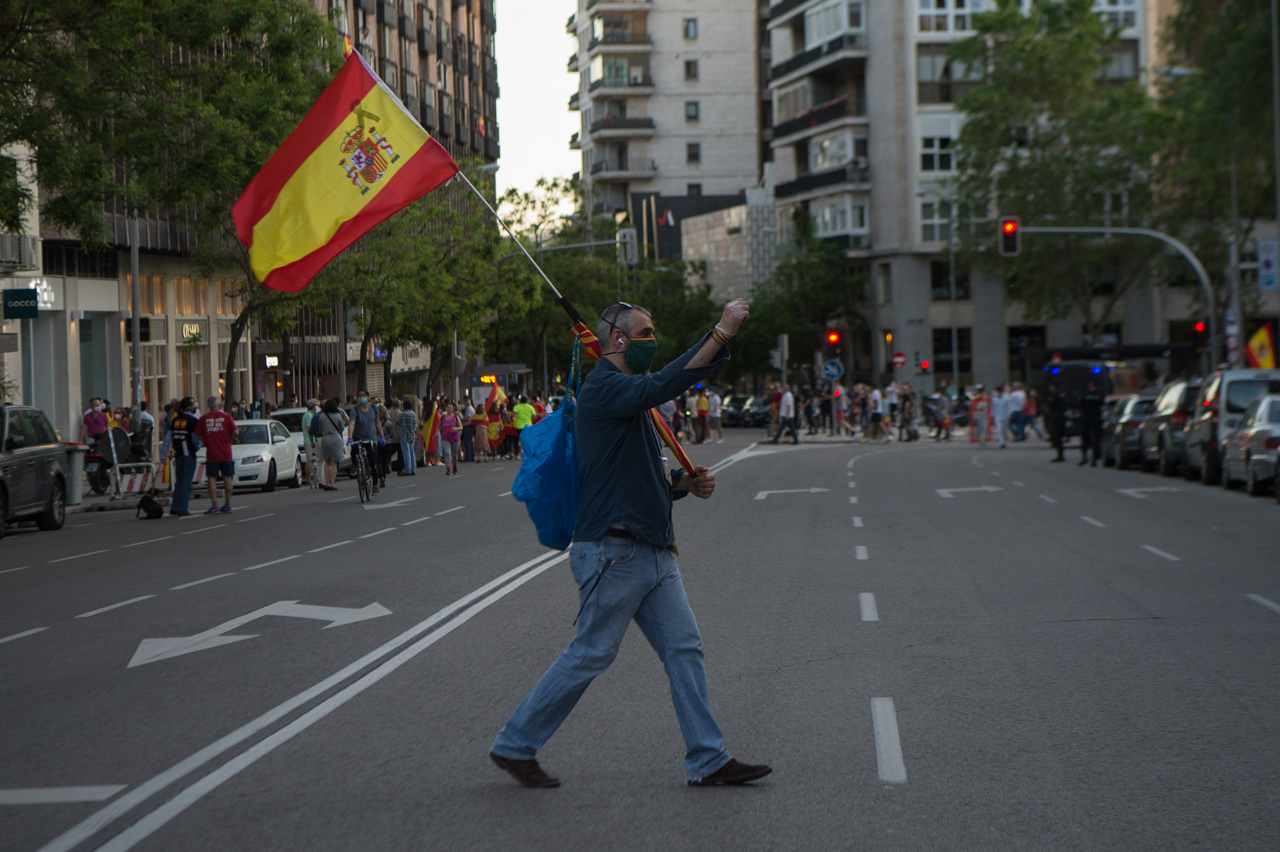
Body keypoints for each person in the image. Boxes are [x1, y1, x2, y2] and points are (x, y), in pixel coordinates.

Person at [489, 298, 770, 789]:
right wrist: (720, 334)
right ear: (617, 339)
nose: (651, 341)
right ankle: (515, 744)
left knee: (685, 649)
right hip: (614, 552)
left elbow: (641, 478)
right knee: (591, 653)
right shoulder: (604, 388)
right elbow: (665, 383)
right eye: (644, 333)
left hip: (654, 551)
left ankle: (708, 757)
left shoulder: (629, 399)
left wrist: (683, 483)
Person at [195, 396, 237, 514]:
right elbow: (235, 432)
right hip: (226, 452)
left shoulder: (203, 419)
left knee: (212, 479)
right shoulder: (227, 416)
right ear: (219, 405)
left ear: (208, 406)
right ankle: (227, 504)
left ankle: (214, 505)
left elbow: (198, 435)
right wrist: (229, 439)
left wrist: (207, 441)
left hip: (212, 453)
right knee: (227, 478)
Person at [167, 397, 200, 516]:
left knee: (179, 481)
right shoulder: (192, 421)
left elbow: (168, 438)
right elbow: (194, 439)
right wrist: (197, 447)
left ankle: (175, 506)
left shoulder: (175, 420)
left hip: (178, 454)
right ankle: (183, 508)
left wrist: (163, 454)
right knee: (186, 482)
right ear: (190, 407)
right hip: (188, 454)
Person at [347, 389, 384, 493]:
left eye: (363, 395)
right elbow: (352, 424)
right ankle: (356, 466)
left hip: (371, 439)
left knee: (373, 461)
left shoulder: (373, 408)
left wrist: (381, 435)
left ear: (368, 397)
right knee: (354, 451)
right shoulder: (355, 410)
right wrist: (350, 437)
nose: (361, 397)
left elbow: (377, 422)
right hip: (358, 437)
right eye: (359, 395)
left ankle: (375, 483)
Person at [315, 398, 346, 490]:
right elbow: (341, 428)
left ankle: (327, 483)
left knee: (327, 462)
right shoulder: (338, 416)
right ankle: (332, 483)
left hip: (325, 439)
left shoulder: (322, 416)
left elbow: (320, 429)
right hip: (336, 439)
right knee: (334, 463)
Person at [1079, 379, 1104, 467]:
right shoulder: (1099, 395)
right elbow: (1102, 406)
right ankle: (1094, 460)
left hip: (1086, 420)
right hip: (1096, 420)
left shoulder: (1085, 395)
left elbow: (1080, 406)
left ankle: (1085, 457)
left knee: (1085, 440)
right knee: (1095, 441)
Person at [438, 401, 463, 475]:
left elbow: (461, 427)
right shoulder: (442, 417)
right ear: (446, 408)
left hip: (455, 438)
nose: (449, 409)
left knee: (454, 454)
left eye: (450, 408)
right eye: (448, 408)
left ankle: (454, 467)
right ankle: (448, 469)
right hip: (445, 438)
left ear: (453, 409)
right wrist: (436, 433)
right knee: (447, 453)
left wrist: (456, 428)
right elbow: (439, 427)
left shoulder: (456, 417)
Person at [396, 398, 418, 475]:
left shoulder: (402, 414)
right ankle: (413, 469)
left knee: (406, 453)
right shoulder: (414, 414)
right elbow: (415, 425)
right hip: (412, 435)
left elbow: (397, 422)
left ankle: (407, 469)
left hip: (404, 435)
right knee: (412, 452)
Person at [1046, 381, 1066, 462]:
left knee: (1057, 437)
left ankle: (1060, 456)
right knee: (1059, 437)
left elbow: (1050, 406)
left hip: (1056, 418)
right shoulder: (1062, 395)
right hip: (1061, 418)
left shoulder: (1055, 396)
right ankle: (1061, 455)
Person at [992, 384, 1011, 448]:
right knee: (999, 430)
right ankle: (1001, 443)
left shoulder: (1006, 398)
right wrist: (992, 416)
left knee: (1004, 430)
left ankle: (1004, 440)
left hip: (1005, 416)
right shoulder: (994, 399)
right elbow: (993, 408)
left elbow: (1009, 407)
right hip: (997, 416)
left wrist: (1009, 414)